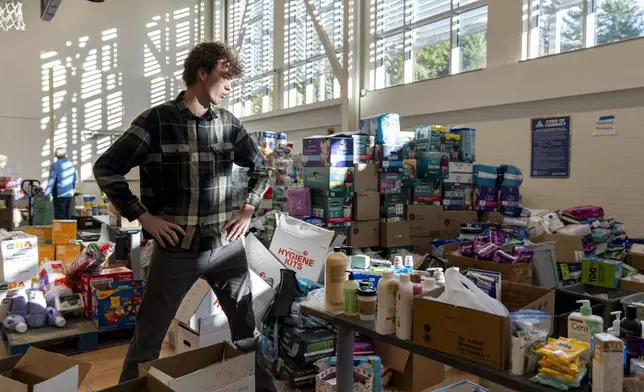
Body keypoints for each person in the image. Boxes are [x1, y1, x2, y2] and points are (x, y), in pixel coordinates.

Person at [93, 41, 274, 390]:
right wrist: (143, 216)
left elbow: (261, 168)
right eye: (224, 76)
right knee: (149, 336)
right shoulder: (157, 121)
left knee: (246, 329)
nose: (229, 85)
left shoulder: (228, 124)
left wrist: (248, 208)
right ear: (202, 74)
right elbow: (106, 167)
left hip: (226, 246)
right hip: (177, 250)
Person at [44, 148, 77, 219]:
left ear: (56, 155)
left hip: (59, 194)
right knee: (68, 214)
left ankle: (62, 230)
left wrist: (46, 193)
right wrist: (73, 190)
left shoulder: (55, 165)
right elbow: (74, 180)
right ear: (65, 154)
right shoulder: (71, 165)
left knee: (60, 215)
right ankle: (68, 229)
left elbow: (51, 180)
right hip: (69, 194)